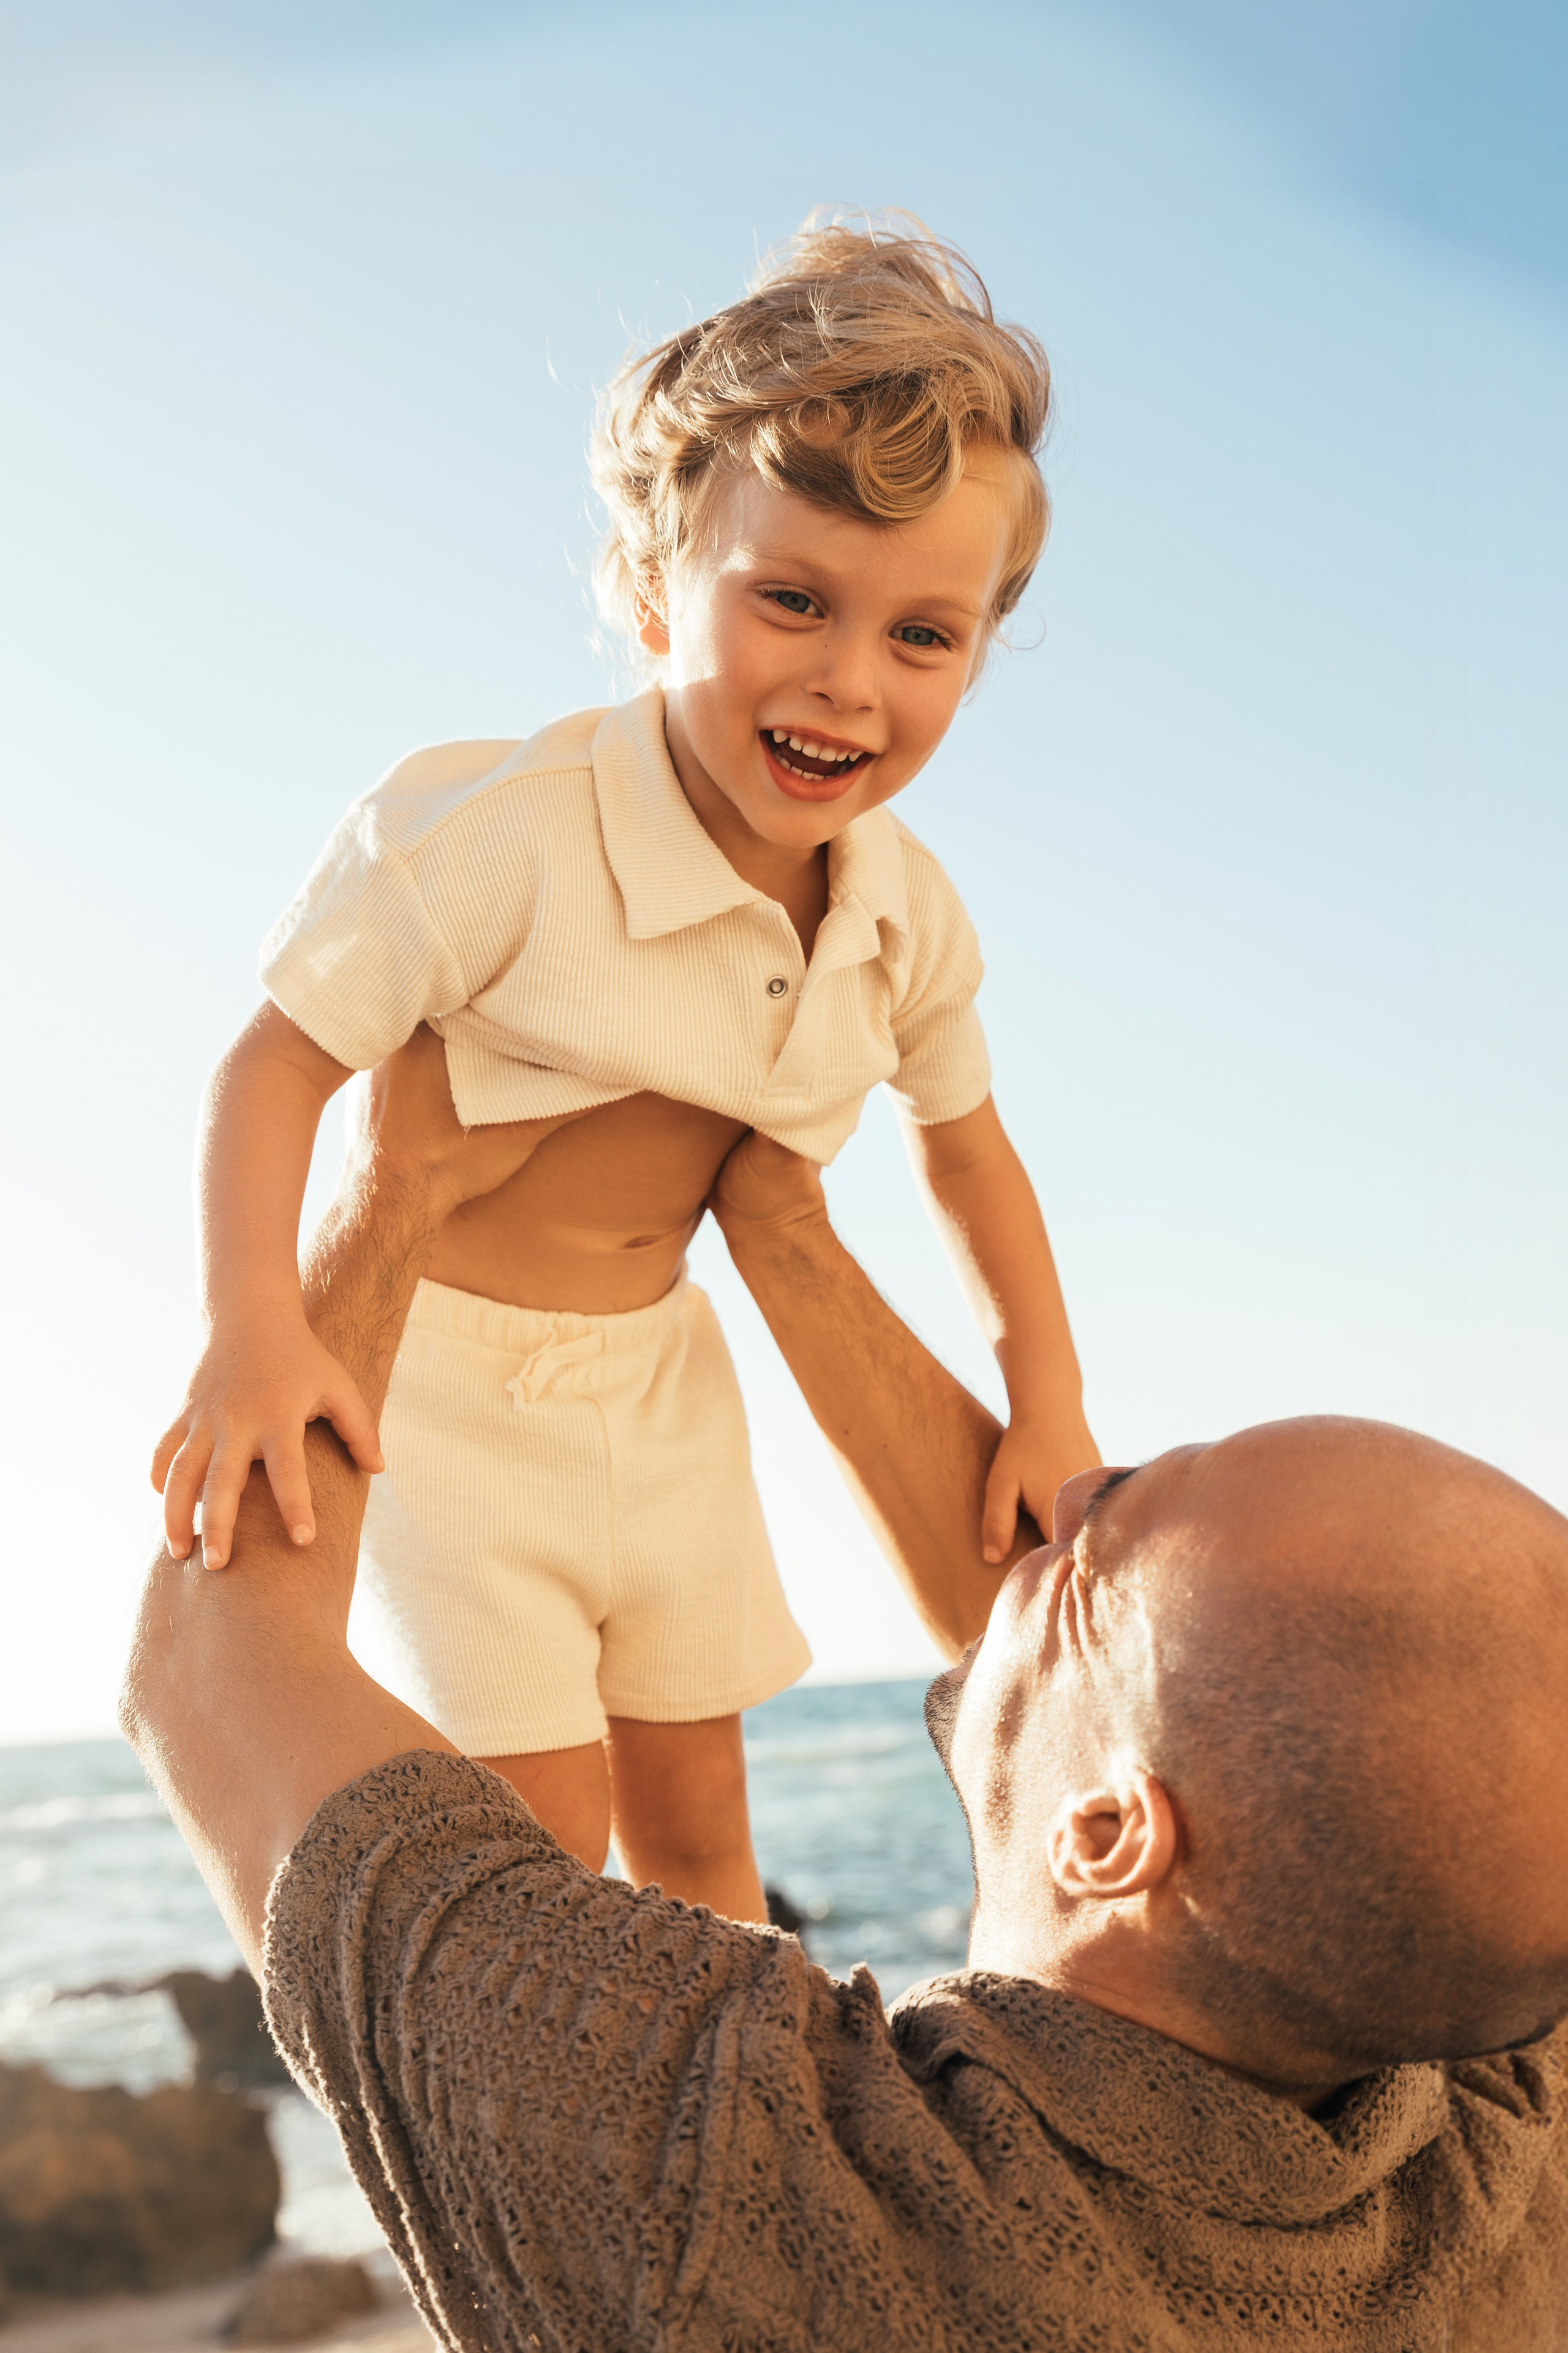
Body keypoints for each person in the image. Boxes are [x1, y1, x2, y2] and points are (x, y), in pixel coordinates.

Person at [124, 1030, 1568, 2352]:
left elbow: (207, 1667)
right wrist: (785, 1234)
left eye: (1111, 1519)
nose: (1051, 1492)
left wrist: (392, 1183)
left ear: (1112, 1837)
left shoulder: (726, 2166)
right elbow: (1191, 1722)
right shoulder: (1511, 2136)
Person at [148, 214, 1098, 1914]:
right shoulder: (508, 831)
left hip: (667, 1387)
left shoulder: (902, 916)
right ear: (657, 589)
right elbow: (275, 1062)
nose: (846, 681)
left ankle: (722, 2144)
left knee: (706, 1832)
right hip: (447, 1388)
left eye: (922, 636)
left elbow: (970, 1154)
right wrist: (253, 1329)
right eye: (793, 600)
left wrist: (1052, 1406)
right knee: (547, 1839)